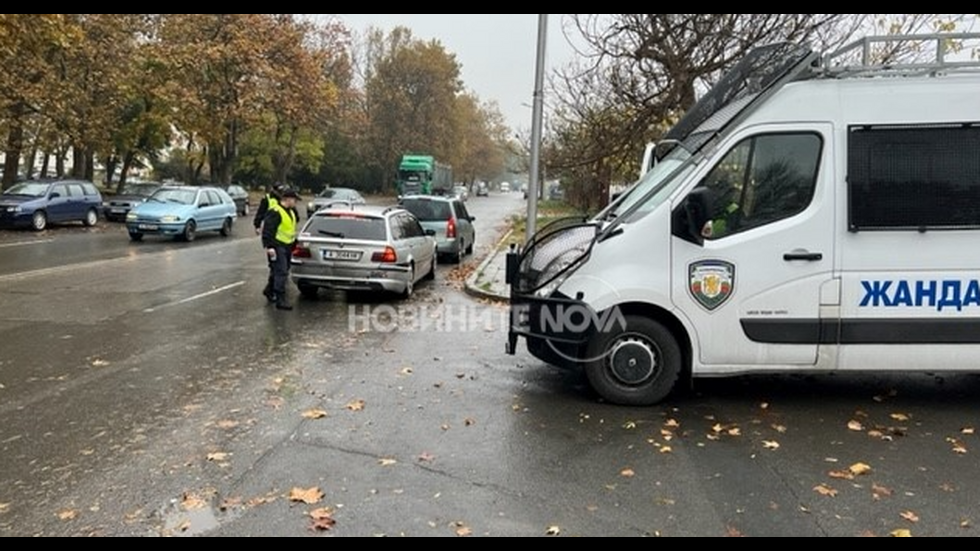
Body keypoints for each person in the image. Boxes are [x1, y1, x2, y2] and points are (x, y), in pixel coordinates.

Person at [262, 188, 300, 311]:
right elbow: (268, 231)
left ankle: (269, 290)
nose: (295, 202)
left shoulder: (291, 211)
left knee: (279, 270)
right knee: (281, 271)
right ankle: (280, 300)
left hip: (288, 246)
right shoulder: (275, 212)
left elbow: (290, 228)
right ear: (287, 199)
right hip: (277, 246)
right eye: (294, 200)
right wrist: (270, 246)